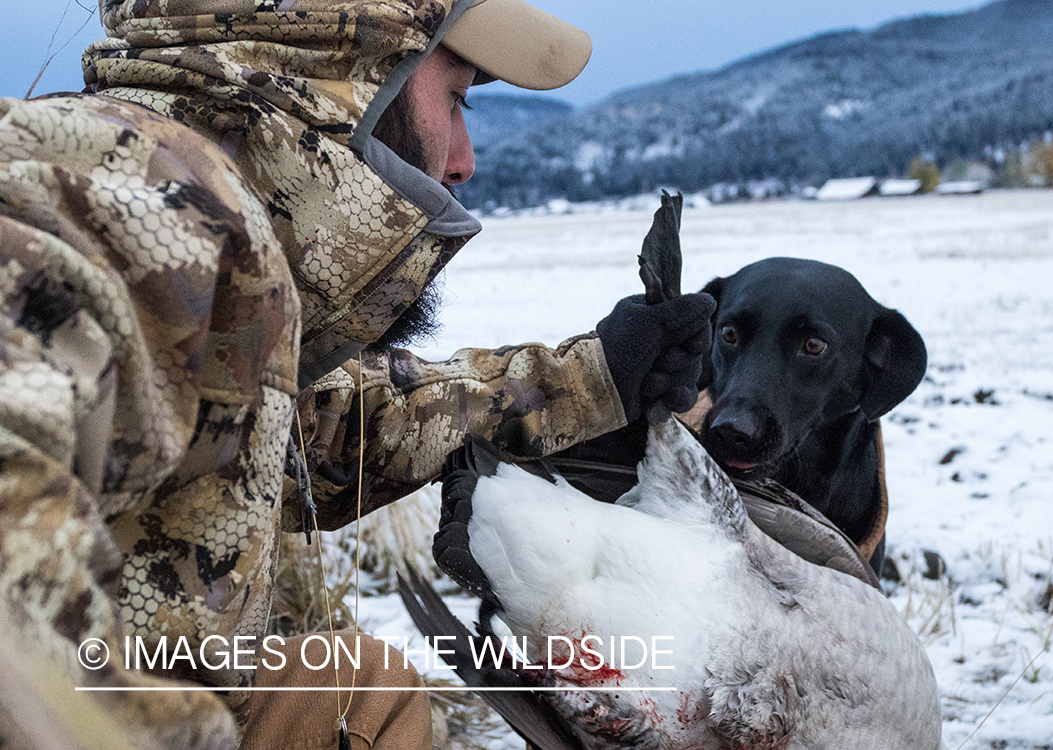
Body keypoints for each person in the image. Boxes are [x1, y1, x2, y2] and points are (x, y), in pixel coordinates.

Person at [0, 0, 715, 748]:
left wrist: (587, 379)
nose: (465, 159)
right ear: (337, 69)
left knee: (359, 689)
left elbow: (309, 428)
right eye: (457, 98)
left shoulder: (211, 229)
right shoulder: (140, 200)